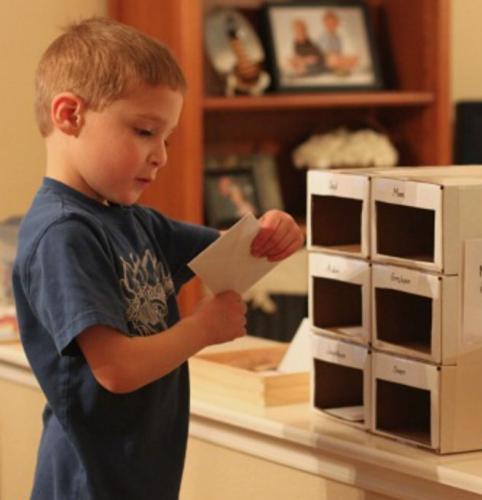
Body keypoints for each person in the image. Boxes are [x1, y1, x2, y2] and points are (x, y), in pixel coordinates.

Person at [12, 17, 303, 499]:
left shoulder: (133, 220)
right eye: (145, 131)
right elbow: (116, 370)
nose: (161, 155)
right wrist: (203, 329)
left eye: (165, 137)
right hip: (89, 484)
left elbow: (238, 249)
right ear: (69, 115)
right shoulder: (64, 234)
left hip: (140, 476)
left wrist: (274, 230)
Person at [317, 10, 358, 75]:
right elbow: (323, 54)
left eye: (333, 23)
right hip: (326, 61)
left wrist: (341, 57)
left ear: (337, 23)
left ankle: (340, 68)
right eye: (328, 23)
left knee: (354, 58)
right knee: (333, 59)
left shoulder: (338, 37)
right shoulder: (322, 37)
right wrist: (335, 57)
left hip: (337, 59)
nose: (331, 25)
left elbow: (339, 52)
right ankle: (340, 68)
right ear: (325, 24)